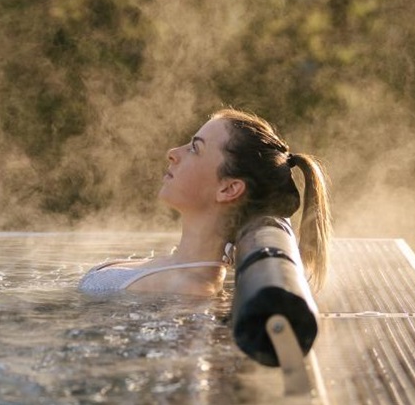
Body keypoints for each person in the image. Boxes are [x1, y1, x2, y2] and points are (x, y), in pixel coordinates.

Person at [79, 108, 331, 296]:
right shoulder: (178, 269)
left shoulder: (190, 290)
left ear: (228, 188)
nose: (173, 153)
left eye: (195, 149)